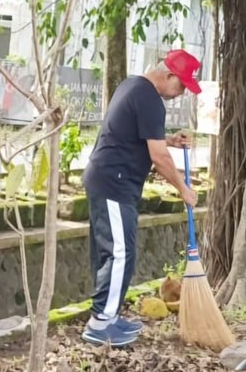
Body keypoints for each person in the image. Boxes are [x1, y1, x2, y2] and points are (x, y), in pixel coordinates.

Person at [81, 50, 201, 346]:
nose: (182, 92)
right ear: (168, 75)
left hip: (108, 180)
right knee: (119, 253)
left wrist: (170, 140)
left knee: (114, 252)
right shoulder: (150, 99)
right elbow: (158, 157)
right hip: (113, 182)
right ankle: (99, 324)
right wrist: (183, 189)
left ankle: (108, 317)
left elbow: (140, 137)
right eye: (182, 85)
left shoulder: (133, 86)